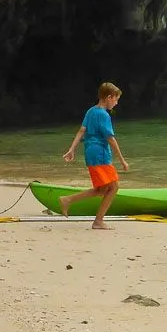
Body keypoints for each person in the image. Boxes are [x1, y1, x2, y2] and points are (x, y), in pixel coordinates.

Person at [60, 82, 130, 230]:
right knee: (114, 187)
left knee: (103, 189)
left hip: (90, 153)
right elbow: (110, 138)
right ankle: (98, 221)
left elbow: (81, 131)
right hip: (100, 155)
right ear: (109, 97)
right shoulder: (104, 115)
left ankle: (68, 200)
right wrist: (122, 160)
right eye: (116, 99)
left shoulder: (91, 111)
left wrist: (72, 149)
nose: (116, 103)